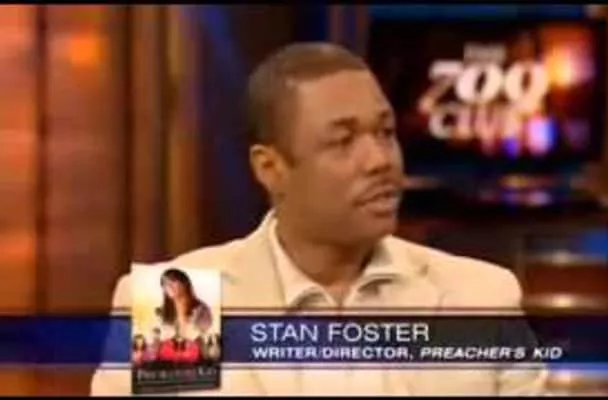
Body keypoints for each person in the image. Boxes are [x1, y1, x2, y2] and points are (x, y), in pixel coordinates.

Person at [91, 42, 548, 396]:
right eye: (343, 141)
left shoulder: (478, 298)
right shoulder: (182, 303)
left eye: (385, 132)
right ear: (271, 168)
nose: (380, 160)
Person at [155, 268, 213, 339]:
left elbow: (200, 335)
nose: (169, 286)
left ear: (185, 283)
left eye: (173, 281)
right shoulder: (162, 312)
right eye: (165, 284)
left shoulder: (202, 310)